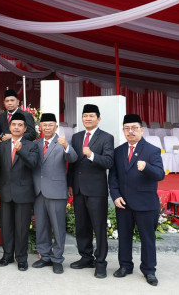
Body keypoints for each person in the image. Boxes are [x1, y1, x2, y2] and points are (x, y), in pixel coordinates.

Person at [108, 114, 165, 286]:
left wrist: (146, 167)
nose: (130, 131)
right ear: (123, 130)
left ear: (142, 130)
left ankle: (149, 270)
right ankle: (125, 266)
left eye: (134, 128)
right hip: (123, 203)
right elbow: (113, 177)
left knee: (147, 238)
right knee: (124, 237)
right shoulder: (118, 151)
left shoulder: (152, 150)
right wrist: (116, 196)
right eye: (127, 128)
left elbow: (160, 174)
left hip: (146, 203)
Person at [67, 104, 114, 279]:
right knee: (82, 226)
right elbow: (72, 163)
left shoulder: (106, 138)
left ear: (98, 118)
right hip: (78, 189)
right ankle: (85, 257)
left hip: (96, 190)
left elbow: (109, 162)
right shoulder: (77, 136)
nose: (88, 118)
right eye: (85, 115)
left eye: (91, 116)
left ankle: (100, 262)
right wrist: (70, 184)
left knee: (98, 227)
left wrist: (92, 155)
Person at [31, 113, 77, 274]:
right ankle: (44, 256)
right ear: (40, 127)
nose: (48, 128)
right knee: (41, 226)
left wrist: (66, 147)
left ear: (56, 126)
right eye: (45, 125)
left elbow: (72, 158)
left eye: (51, 125)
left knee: (58, 227)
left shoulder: (63, 142)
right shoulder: (36, 144)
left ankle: (57, 259)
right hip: (38, 191)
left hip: (56, 191)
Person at [0, 112, 39, 271]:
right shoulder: (2, 145)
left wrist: (21, 150)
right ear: (10, 127)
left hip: (24, 193)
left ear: (25, 128)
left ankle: (21, 258)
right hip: (5, 192)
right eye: (14, 125)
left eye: (20, 125)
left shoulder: (32, 145)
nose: (17, 127)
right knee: (6, 227)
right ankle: (7, 256)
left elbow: (33, 164)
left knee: (21, 228)